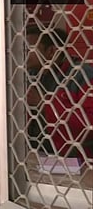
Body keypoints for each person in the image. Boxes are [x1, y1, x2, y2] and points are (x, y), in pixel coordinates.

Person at [26, 26, 93, 159]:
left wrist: (44, 104)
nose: (23, 53)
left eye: (29, 49)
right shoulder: (31, 74)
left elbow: (89, 124)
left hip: (75, 161)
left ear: (51, 51)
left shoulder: (83, 75)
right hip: (36, 154)